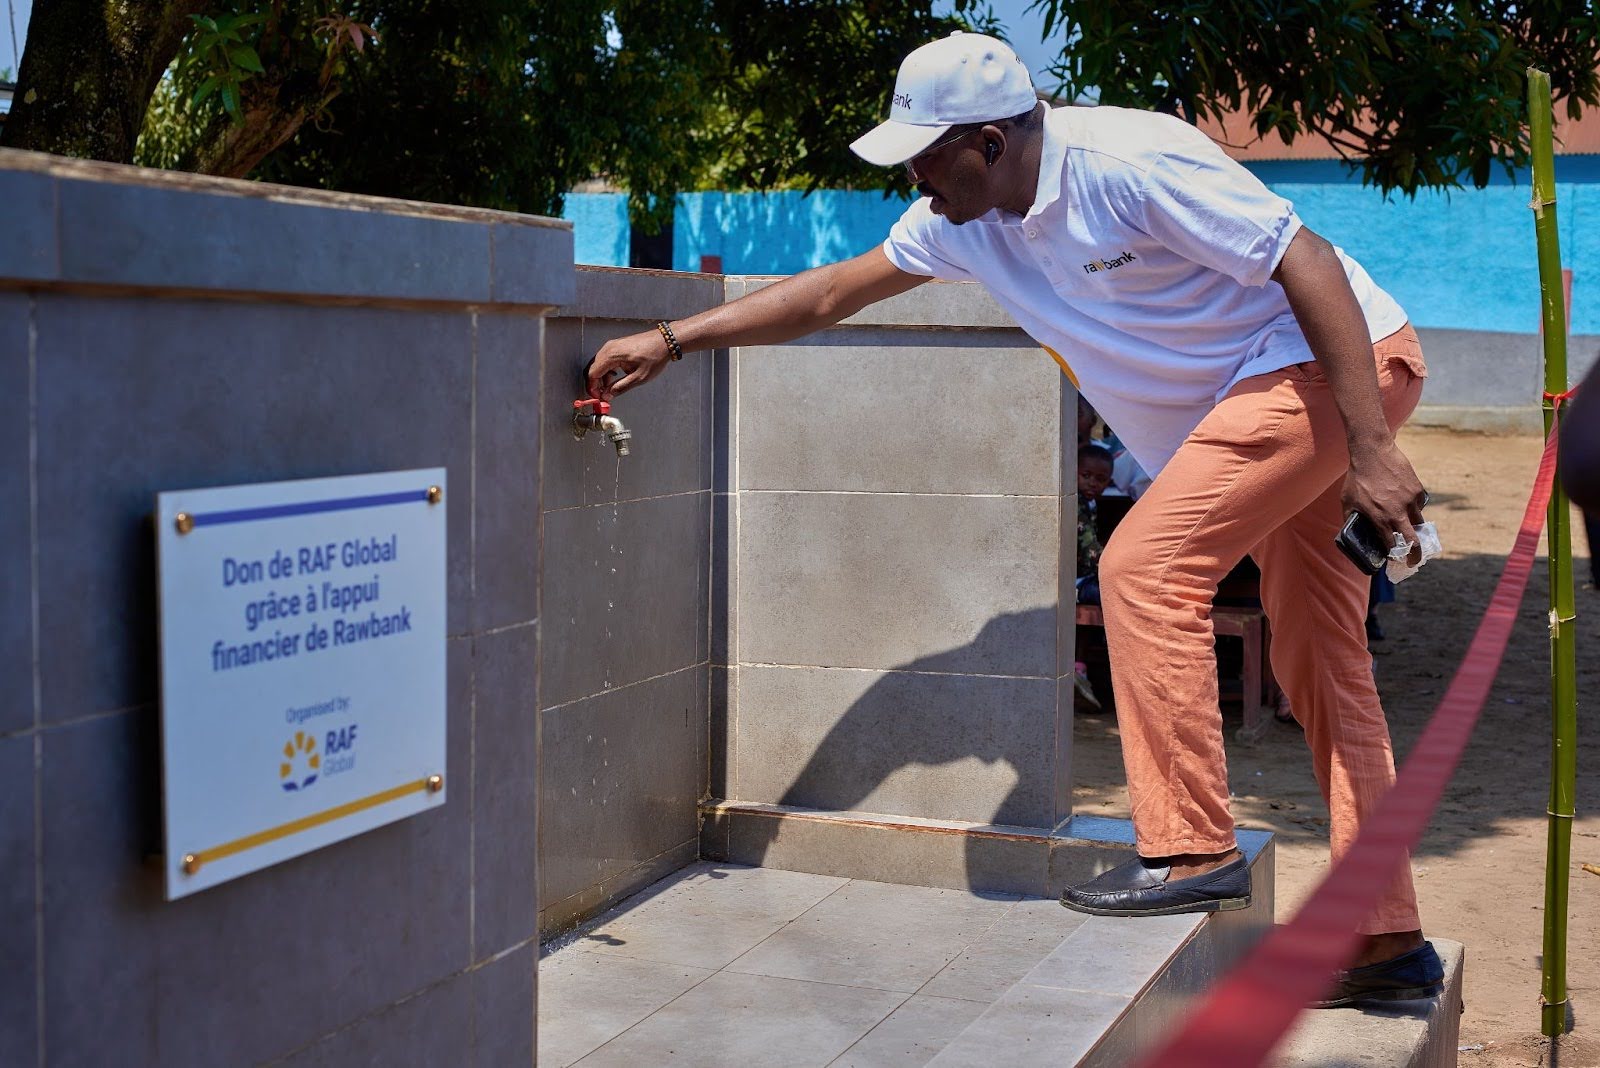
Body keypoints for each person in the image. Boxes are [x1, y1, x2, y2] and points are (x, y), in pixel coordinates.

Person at [587, 31, 1440, 1004]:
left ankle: (1192, 848)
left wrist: (1372, 446)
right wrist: (671, 338)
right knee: (1322, 665)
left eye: (924, 153)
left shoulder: (1126, 161)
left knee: (1143, 569)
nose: (913, 175)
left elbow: (1306, 257)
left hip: (1333, 371)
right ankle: (1388, 941)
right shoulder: (963, 224)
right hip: (1266, 404)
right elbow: (827, 293)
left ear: (989, 142)